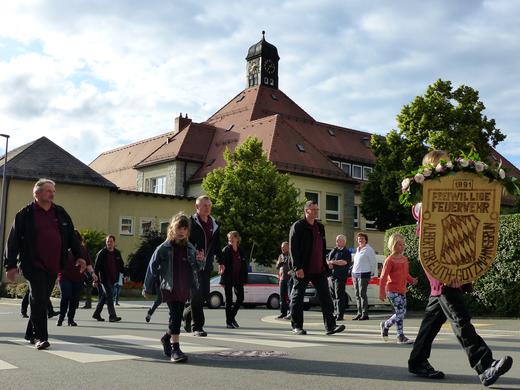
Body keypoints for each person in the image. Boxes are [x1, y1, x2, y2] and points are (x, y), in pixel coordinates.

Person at [408, 150, 513, 386]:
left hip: (454, 261)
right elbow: (421, 215)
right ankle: (485, 365)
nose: (448, 166)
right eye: (442, 164)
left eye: (448, 162)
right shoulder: (423, 202)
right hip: (439, 266)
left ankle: (417, 361)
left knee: (433, 318)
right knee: (459, 317)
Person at [4, 178, 86, 350]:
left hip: (54, 265)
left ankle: (30, 333)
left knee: (40, 300)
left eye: (53, 191)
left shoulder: (60, 213)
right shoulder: (24, 214)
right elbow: (12, 242)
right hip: (32, 264)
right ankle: (42, 338)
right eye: (49, 191)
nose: (52, 194)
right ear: (37, 193)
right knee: (39, 298)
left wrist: (80, 256)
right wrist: (10, 265)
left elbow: (72, 236)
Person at [143, 213, 205, 363]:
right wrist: (147, 286)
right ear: (172, 228)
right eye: (179, 227)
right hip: (169, 287)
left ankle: (166, 338)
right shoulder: (164, 248)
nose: (181, 231)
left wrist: (201, 261)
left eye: (184, 228)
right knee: (176, 316)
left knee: (176, 317)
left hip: (184, 286)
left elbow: (197, 268)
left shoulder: (190, 247)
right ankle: (175, 349)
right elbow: (152, 266)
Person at [288, 200, 345, 336]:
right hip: (303, 268)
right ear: (306, 210)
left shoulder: (320, 227)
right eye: (313, 209)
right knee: (298, 296)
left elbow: (322, 248)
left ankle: (330, 326)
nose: (316, 212)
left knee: (326, 297)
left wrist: (325, 266)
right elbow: (293, 249)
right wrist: (297, 267)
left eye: (317, 209)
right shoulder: (298, 226)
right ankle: (296, 326)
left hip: (319, 269)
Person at [183, 195, 221, 337]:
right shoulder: (190, 222)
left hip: (207, 264)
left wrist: (221, 262)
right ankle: (197, 327)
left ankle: (186, 314)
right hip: (193, 264)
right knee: (197, 294)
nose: (207, 208)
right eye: (204, 205)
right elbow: (184, 241)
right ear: (197, 207)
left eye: (209, 205)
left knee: (204, 295)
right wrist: (193, 253)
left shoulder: (215, 224)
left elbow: (217, 245)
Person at [379, 233, 417, 344]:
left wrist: (412, 280)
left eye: (403, 244)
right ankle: (400, 336)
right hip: (392, 290)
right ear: (393, 245)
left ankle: (385, 325)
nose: (402, 247)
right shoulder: (389, 260)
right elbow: (383, 277)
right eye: (399, 244)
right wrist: (382, 293)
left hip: (402, 290)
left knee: (402, 312)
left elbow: (405, 274)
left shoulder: (405, 259)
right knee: (400, 312)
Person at [57, 230, 97, 326]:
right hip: (64, 277)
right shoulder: (63, 247)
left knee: (74, 299)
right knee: (66, 296)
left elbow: (88, 263)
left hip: (78, 278)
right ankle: (61, 317)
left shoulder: (82, 249)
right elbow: (56, 263)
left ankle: (71, 319)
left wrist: (93, 273)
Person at [92, 235, 126, 322]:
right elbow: (96, 267)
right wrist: (95, 279)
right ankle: (112, 316)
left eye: (111, 241)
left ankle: (96, 314)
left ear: (114, 243)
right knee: (110, 296)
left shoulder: (117, 253)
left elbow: (121, 265)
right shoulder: (102, 253)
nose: (109, 243)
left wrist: (125, 275)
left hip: (113, 278)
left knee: (104, 296)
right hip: (104, 278)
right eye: (107, 241)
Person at [219, 231, 248, 329]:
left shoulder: (241, 250)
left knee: (240, 298)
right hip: (228, 278)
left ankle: (231, 317)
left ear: (237, 238)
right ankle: (229, 322)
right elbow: (221, 266)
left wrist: (245, 279)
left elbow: (244, 266)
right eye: (228, 238)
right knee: (229, 300)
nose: (230, 240)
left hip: (238, 278)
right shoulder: (226, 250)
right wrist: (222, 280)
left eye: (231, 238)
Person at [351, 232, 377, 320]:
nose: (360, 240)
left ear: (366, 240)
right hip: (355, 274)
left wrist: (372, 273)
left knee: (362, 294)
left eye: (362, 238)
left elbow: (373, 262)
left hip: (364, 273)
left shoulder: (369, 249)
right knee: (357, 294)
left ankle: (365, 314)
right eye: (359, 239)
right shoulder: (357, 249)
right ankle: (359, 313)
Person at [327, 234, 352, 321]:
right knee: (333, 296)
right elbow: (327, 260)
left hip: (340, 277)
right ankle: (335, 312)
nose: (337, 242)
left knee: (339, 296)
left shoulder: (346, 252)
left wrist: (333, 262)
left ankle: (340, 315)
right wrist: (329, 263)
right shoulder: (334, 251)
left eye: (338, 240)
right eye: (336, 240)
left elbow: (344, 262)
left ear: (344, 242)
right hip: (331, 276)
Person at [275, 242, 292, 319]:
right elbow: (277, 267)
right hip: (282, 278)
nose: (282, 249)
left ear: (288, 247)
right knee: (282, 297)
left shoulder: (291, 255)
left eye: (284, 247)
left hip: (289, 278)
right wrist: (279, 262)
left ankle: (290, 312)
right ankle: (283, 312)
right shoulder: (280, 256)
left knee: (289, 296)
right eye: (282, 247)